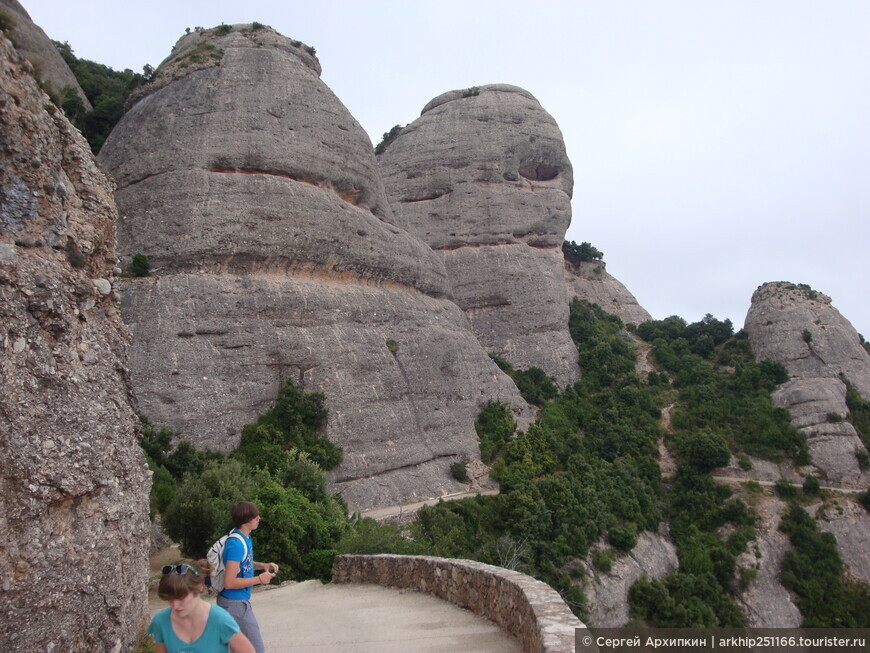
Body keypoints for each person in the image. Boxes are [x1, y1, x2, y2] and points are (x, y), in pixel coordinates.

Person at [148, 559, 254, 653]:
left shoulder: (220, 620)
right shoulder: (161, 621)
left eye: (181, 598)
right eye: (170, 598)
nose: (175, 606)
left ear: (199, 588)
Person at [217, 501, 279, 653]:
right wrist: (259, 579)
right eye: (255, 516)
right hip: (235, 604)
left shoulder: (244, 538)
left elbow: (242, 562)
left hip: (235, 603)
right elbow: (229, 582)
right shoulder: (236, 544)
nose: (259, 518)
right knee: (255, 649)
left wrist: (261, 566)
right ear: (246, 520)